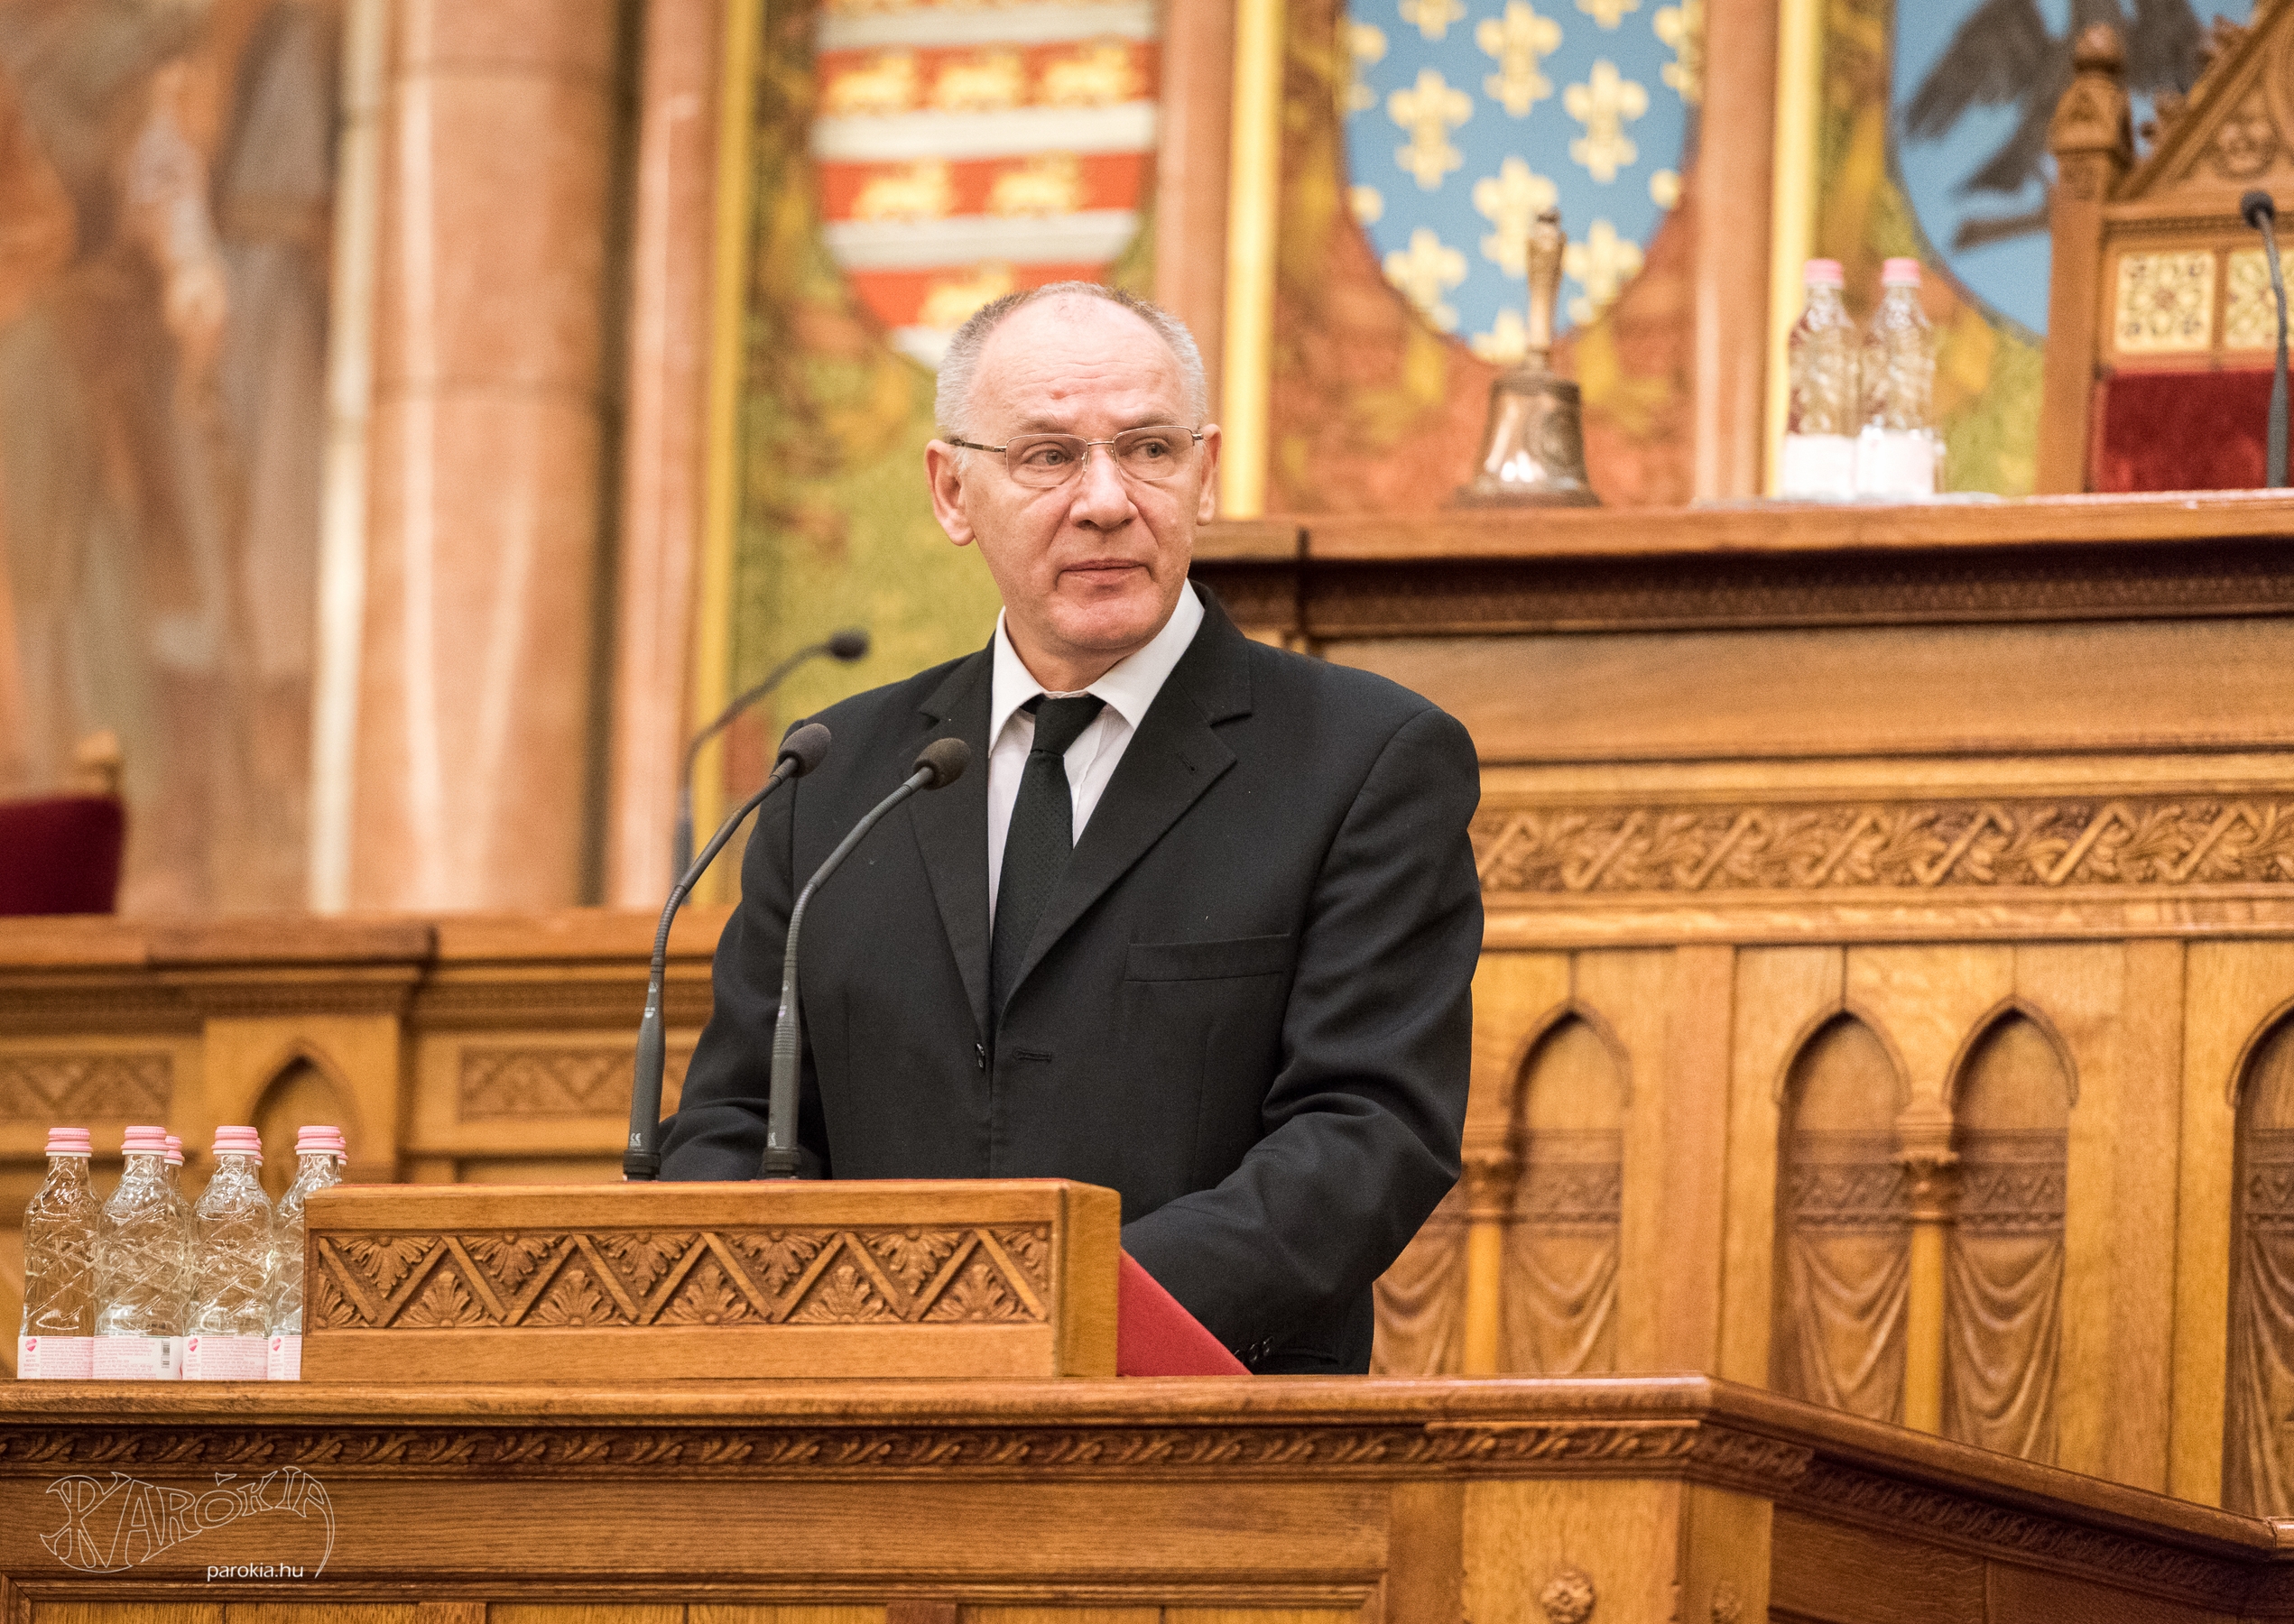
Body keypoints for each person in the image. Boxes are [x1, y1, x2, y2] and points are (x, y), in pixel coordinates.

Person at [661, 283, 1483, 1373]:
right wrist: (828, 1336)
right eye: (1048, 457)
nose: (1105, 500)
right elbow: (734, 1123)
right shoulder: (834, 774)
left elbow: (1365, 1136)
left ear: (1202, 474)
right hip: (865, 1420)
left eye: (1148, 449)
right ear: (952, 490)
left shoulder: (1363, 759)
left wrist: (1073, 1317)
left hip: (1200, 1423)